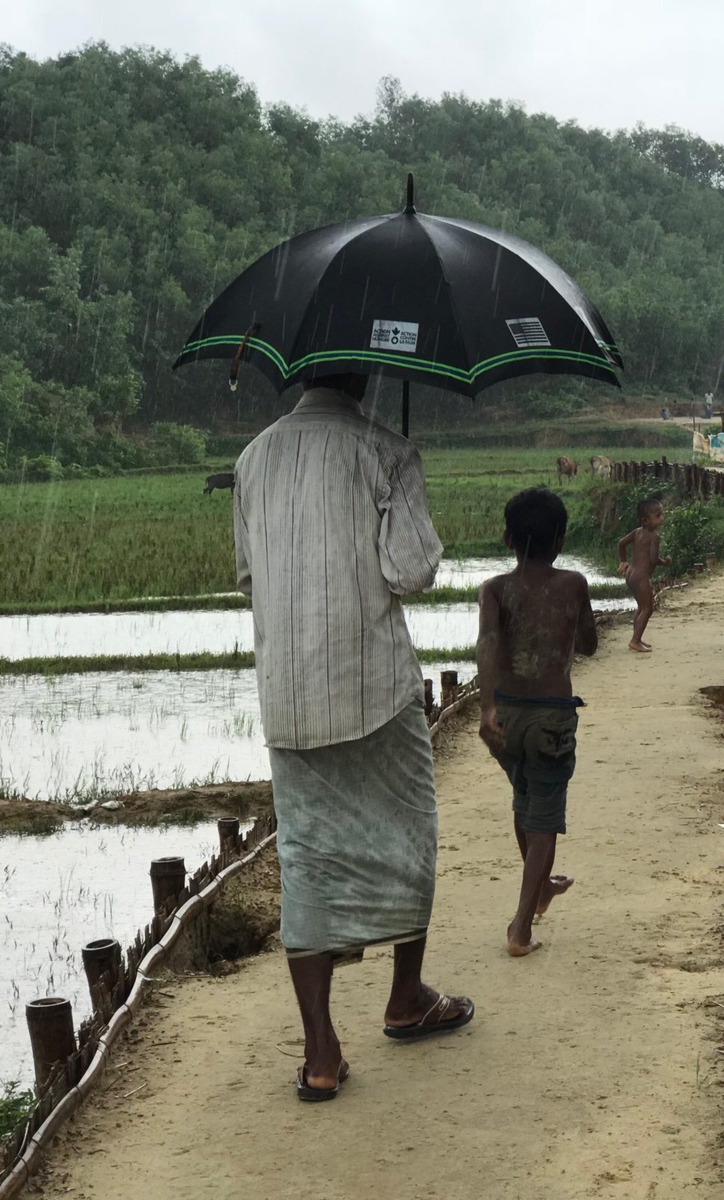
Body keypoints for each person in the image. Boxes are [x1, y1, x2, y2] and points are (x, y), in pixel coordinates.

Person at [234, 371, 473, 1104]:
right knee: (407, 834)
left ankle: (320, 1053)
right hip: (371, 685)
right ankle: (405, 995)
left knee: (307, 857)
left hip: (290, 696)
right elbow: (411, 570)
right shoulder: (386, 451)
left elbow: (249, 576)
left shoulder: (251, 460)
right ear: (365, 372)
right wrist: (395, 481)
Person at [476, 488, 598, 958]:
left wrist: (487, 709)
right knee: (543, 816)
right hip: (551, 718)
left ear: (507, 538)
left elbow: (487, 644)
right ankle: (520, 929)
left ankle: (542, 885)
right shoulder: (572, 584)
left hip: (503, 717)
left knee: (524, 798)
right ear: (561, 539)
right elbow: (588, 645)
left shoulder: (494, 589)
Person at [617, 498, 670, 652]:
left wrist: (623, 561)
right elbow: (653, 559)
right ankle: (635, 641)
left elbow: (621, 543)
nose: (662, 519)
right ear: (646, 521)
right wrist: (665, 562)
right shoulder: (654, 536)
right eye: (658, 516)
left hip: (631, 573)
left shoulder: (637, 532)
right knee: (648, 608)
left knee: (641, 607)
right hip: (640, 577)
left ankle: (637, 638)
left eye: (661, 515)